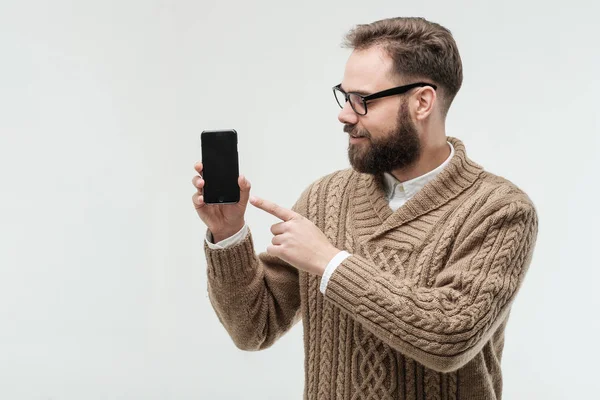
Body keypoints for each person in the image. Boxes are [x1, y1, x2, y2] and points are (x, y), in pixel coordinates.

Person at [192, 16, 538, 400]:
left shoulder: (500, 210)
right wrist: (228, 235)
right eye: (345, 96)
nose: (345, 114)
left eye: (363, 100)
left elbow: (450, 336)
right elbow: (253, 328)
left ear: (422, 101)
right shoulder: (324, 198)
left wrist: (330, 262)